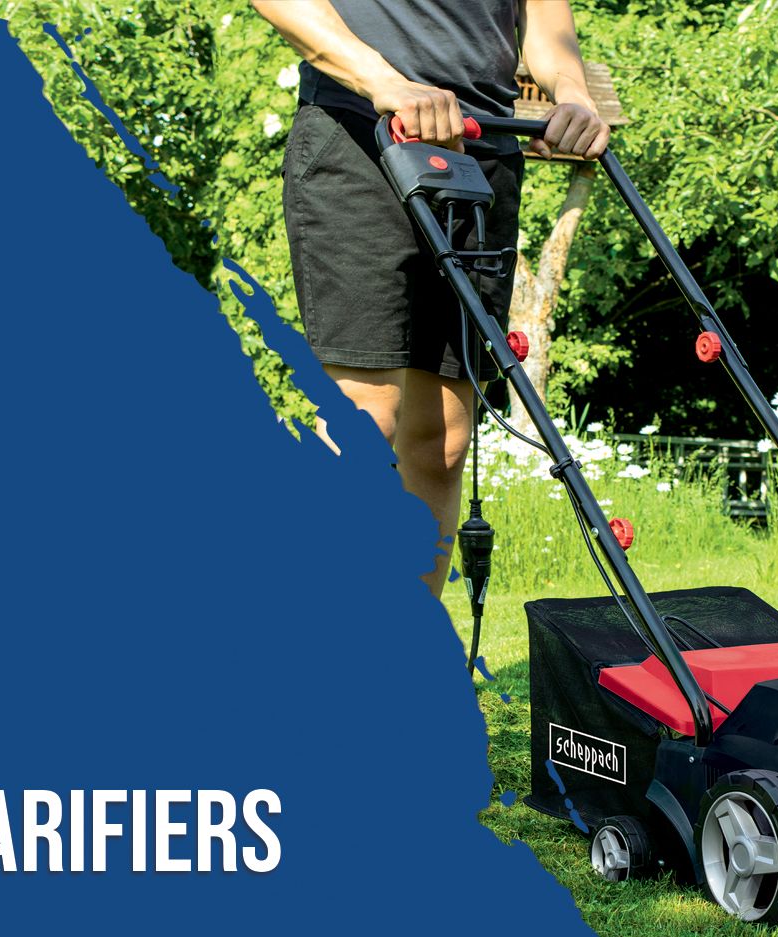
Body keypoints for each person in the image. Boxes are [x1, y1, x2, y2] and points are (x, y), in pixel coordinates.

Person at [251, 0, 609, 597]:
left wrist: (571, 91)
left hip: (481, 150)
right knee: (364, 412)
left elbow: (546, 26)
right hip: (362, 132)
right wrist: (382, 80)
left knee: (443, 437)